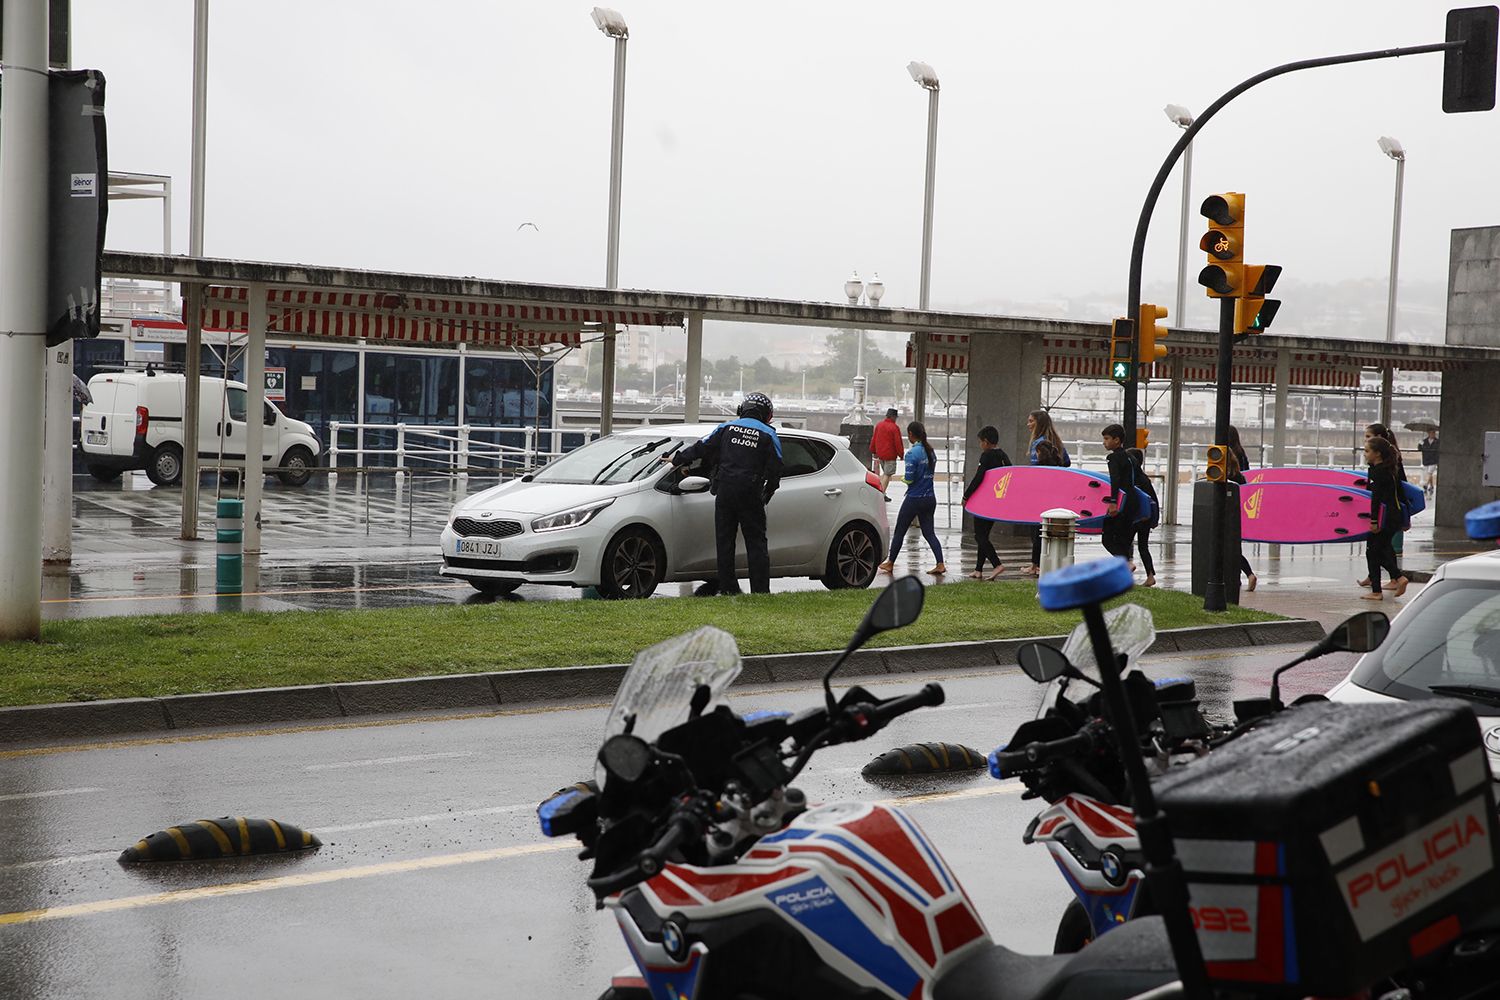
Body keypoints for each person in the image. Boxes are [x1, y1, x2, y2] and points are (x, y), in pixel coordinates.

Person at [668, 391, 783, 595]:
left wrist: (676, 460)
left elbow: (701, 448)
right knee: (756, 543)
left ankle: (728, 588)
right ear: (767, 415)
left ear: (742, 410)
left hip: (726, 491)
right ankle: (760, 591)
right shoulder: (769, 434)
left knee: (724, 541)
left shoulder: (726, 427)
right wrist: (768, 492)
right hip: (751, 492)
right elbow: (776, 468)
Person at [878, 421, 946, 576]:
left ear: (910, 434)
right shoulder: (931, 451)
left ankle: (890, 563)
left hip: (914, 499)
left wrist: (904, 480)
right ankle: (940, 563)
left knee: (900, 531)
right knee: (929, 533)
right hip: (930, 498)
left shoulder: (912, 454)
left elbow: (910, 478)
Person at [1360, 423, 1408, 591]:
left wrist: (1373, 520)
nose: (1364, 454)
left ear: (1377, 453)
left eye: (1366, 451)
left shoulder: (1377, 471)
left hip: (1384, 517)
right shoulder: (1389, 467)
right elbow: (1400, 492)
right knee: (1378, 549)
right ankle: (1379, 587)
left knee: (1375, 550)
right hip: (1393, 515)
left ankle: (1397, 579)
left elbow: (1376, 498)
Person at [1023, 409, 1070, 577]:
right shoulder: (1056, 441)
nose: (1028, 425)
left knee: (1036, 527)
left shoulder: (1039, 443)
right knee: (1048, 527)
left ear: (1039, 423)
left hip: (1039, 492)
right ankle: (1041, 563)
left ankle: (1036, 565)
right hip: (1055, 491)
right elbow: (1067, 462)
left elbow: (1037, 470)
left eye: (1031, 421)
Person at [962, 425, 1012, 579]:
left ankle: (997, 564)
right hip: (997, 501)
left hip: (984, 501)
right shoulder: (1003, 455)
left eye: (981, 442)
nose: (980, 445)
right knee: (984, 535)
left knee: (979, 536)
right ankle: (978, 570)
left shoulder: (986, 456)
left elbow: (979, 478)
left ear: (986, 442)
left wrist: (966, 496)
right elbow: (1010, 473)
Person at [1100, 424, 1139, 564]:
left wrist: (1113, 502)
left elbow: (1115, 480)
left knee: (1108, 538)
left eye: (1106, 439)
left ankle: (1127, 563)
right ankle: (1127, 563)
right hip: (1133, 500)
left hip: (1121, 501)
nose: (1104, 442)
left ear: (1116, 440)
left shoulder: (1113, 458)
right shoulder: (1129, 457)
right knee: (1123, 538)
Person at [1227, 425, 1257, 593]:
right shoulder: (1242, 453)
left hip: (1229, 506)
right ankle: (1240, 577)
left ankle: (1247, 574)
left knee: (1228, 545)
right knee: (1233, 544)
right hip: (1241, 505)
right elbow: (1248, 476)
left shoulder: (1228, 455)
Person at [1128, 447, 1159, 587]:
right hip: (1146, 517)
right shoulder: (1144, 478)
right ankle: (1150, 576)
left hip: (1137, 517)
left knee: (1125, 542)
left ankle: (1128, 565)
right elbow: (1154, 500)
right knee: (1143, 547)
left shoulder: (1135, 479)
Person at [870, 407, 904, 493]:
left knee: (885, 473)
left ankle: (882, 492)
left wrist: (873, 450)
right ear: (893, 417)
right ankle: (880, 493)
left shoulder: (879, 425)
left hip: (880, 454)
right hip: (890, 455)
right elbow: (898, 443)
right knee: (887, 475)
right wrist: (901, 454)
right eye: (896, 417)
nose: (896, 419)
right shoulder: (894, 427)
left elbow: (874, 439)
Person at [1417, 428, 1439, 497]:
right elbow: (1419, 448)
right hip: (1426, 460)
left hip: (1434, 460)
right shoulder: (1424, 441)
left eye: (1434, 433)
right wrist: (1420, 444)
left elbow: (1438, 449)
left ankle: (1426, 485)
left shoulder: (1437, 441)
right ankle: (1431, 486)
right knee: (1429, 474)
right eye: (1431, 432)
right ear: (1428, 433)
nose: (1432, 434)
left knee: (1430, 472)